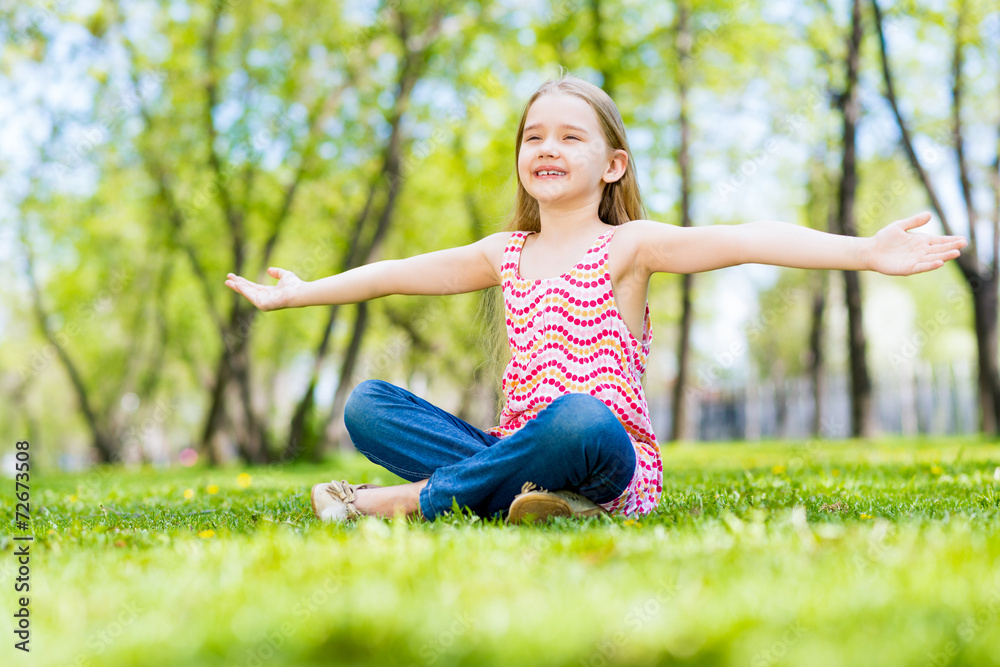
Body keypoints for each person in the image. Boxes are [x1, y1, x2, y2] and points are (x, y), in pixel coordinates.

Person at [224, 73, 967, 524]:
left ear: (611, 164)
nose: (547, 148)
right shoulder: (504, 252)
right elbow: (396, 272)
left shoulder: (630, 246)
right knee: (368, 406)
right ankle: (529, 498)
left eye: (569, 138)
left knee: (576, 416)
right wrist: (302, 295)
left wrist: (864, 252)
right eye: (534, 136)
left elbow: (747, 236)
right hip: (515, 451)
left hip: (602, 451)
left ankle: (403, 501)